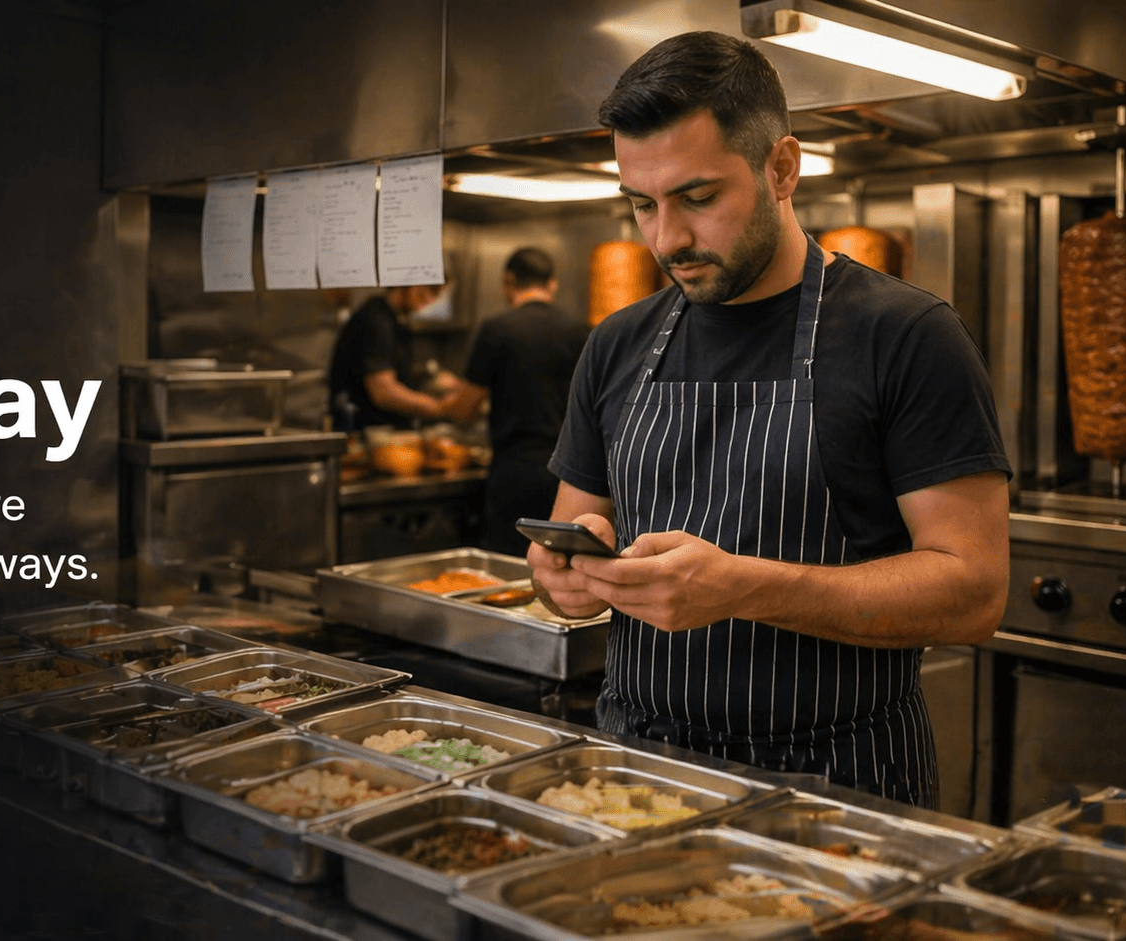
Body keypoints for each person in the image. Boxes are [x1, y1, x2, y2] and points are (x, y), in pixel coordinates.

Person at [527, 31, 1010, 808]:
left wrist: (744, 588)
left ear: (782, 167)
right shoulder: (618, 342)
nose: (666, 239)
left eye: (697, 197)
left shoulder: (908, 335)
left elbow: (973, 592)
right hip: (637, 776)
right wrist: (562, 580)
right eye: (641, 205)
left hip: (837, 786)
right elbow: (564, 550)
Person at [441, 248, 589, 556]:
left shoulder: (497, 329)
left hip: (516, 472)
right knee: (561, 567)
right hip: (572, 475)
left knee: (508, 567)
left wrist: (437, 403)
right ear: (552, 284)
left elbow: (464, 410)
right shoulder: (582, 331)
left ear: (508, 281)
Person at [327, 283, 454, 430]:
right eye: (430, 290)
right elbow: (384, 392)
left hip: (380, 429)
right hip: (366, 432)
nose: (432, 299)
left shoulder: (393, 318)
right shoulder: (377, 321)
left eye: (437, 293)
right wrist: (441, 408)